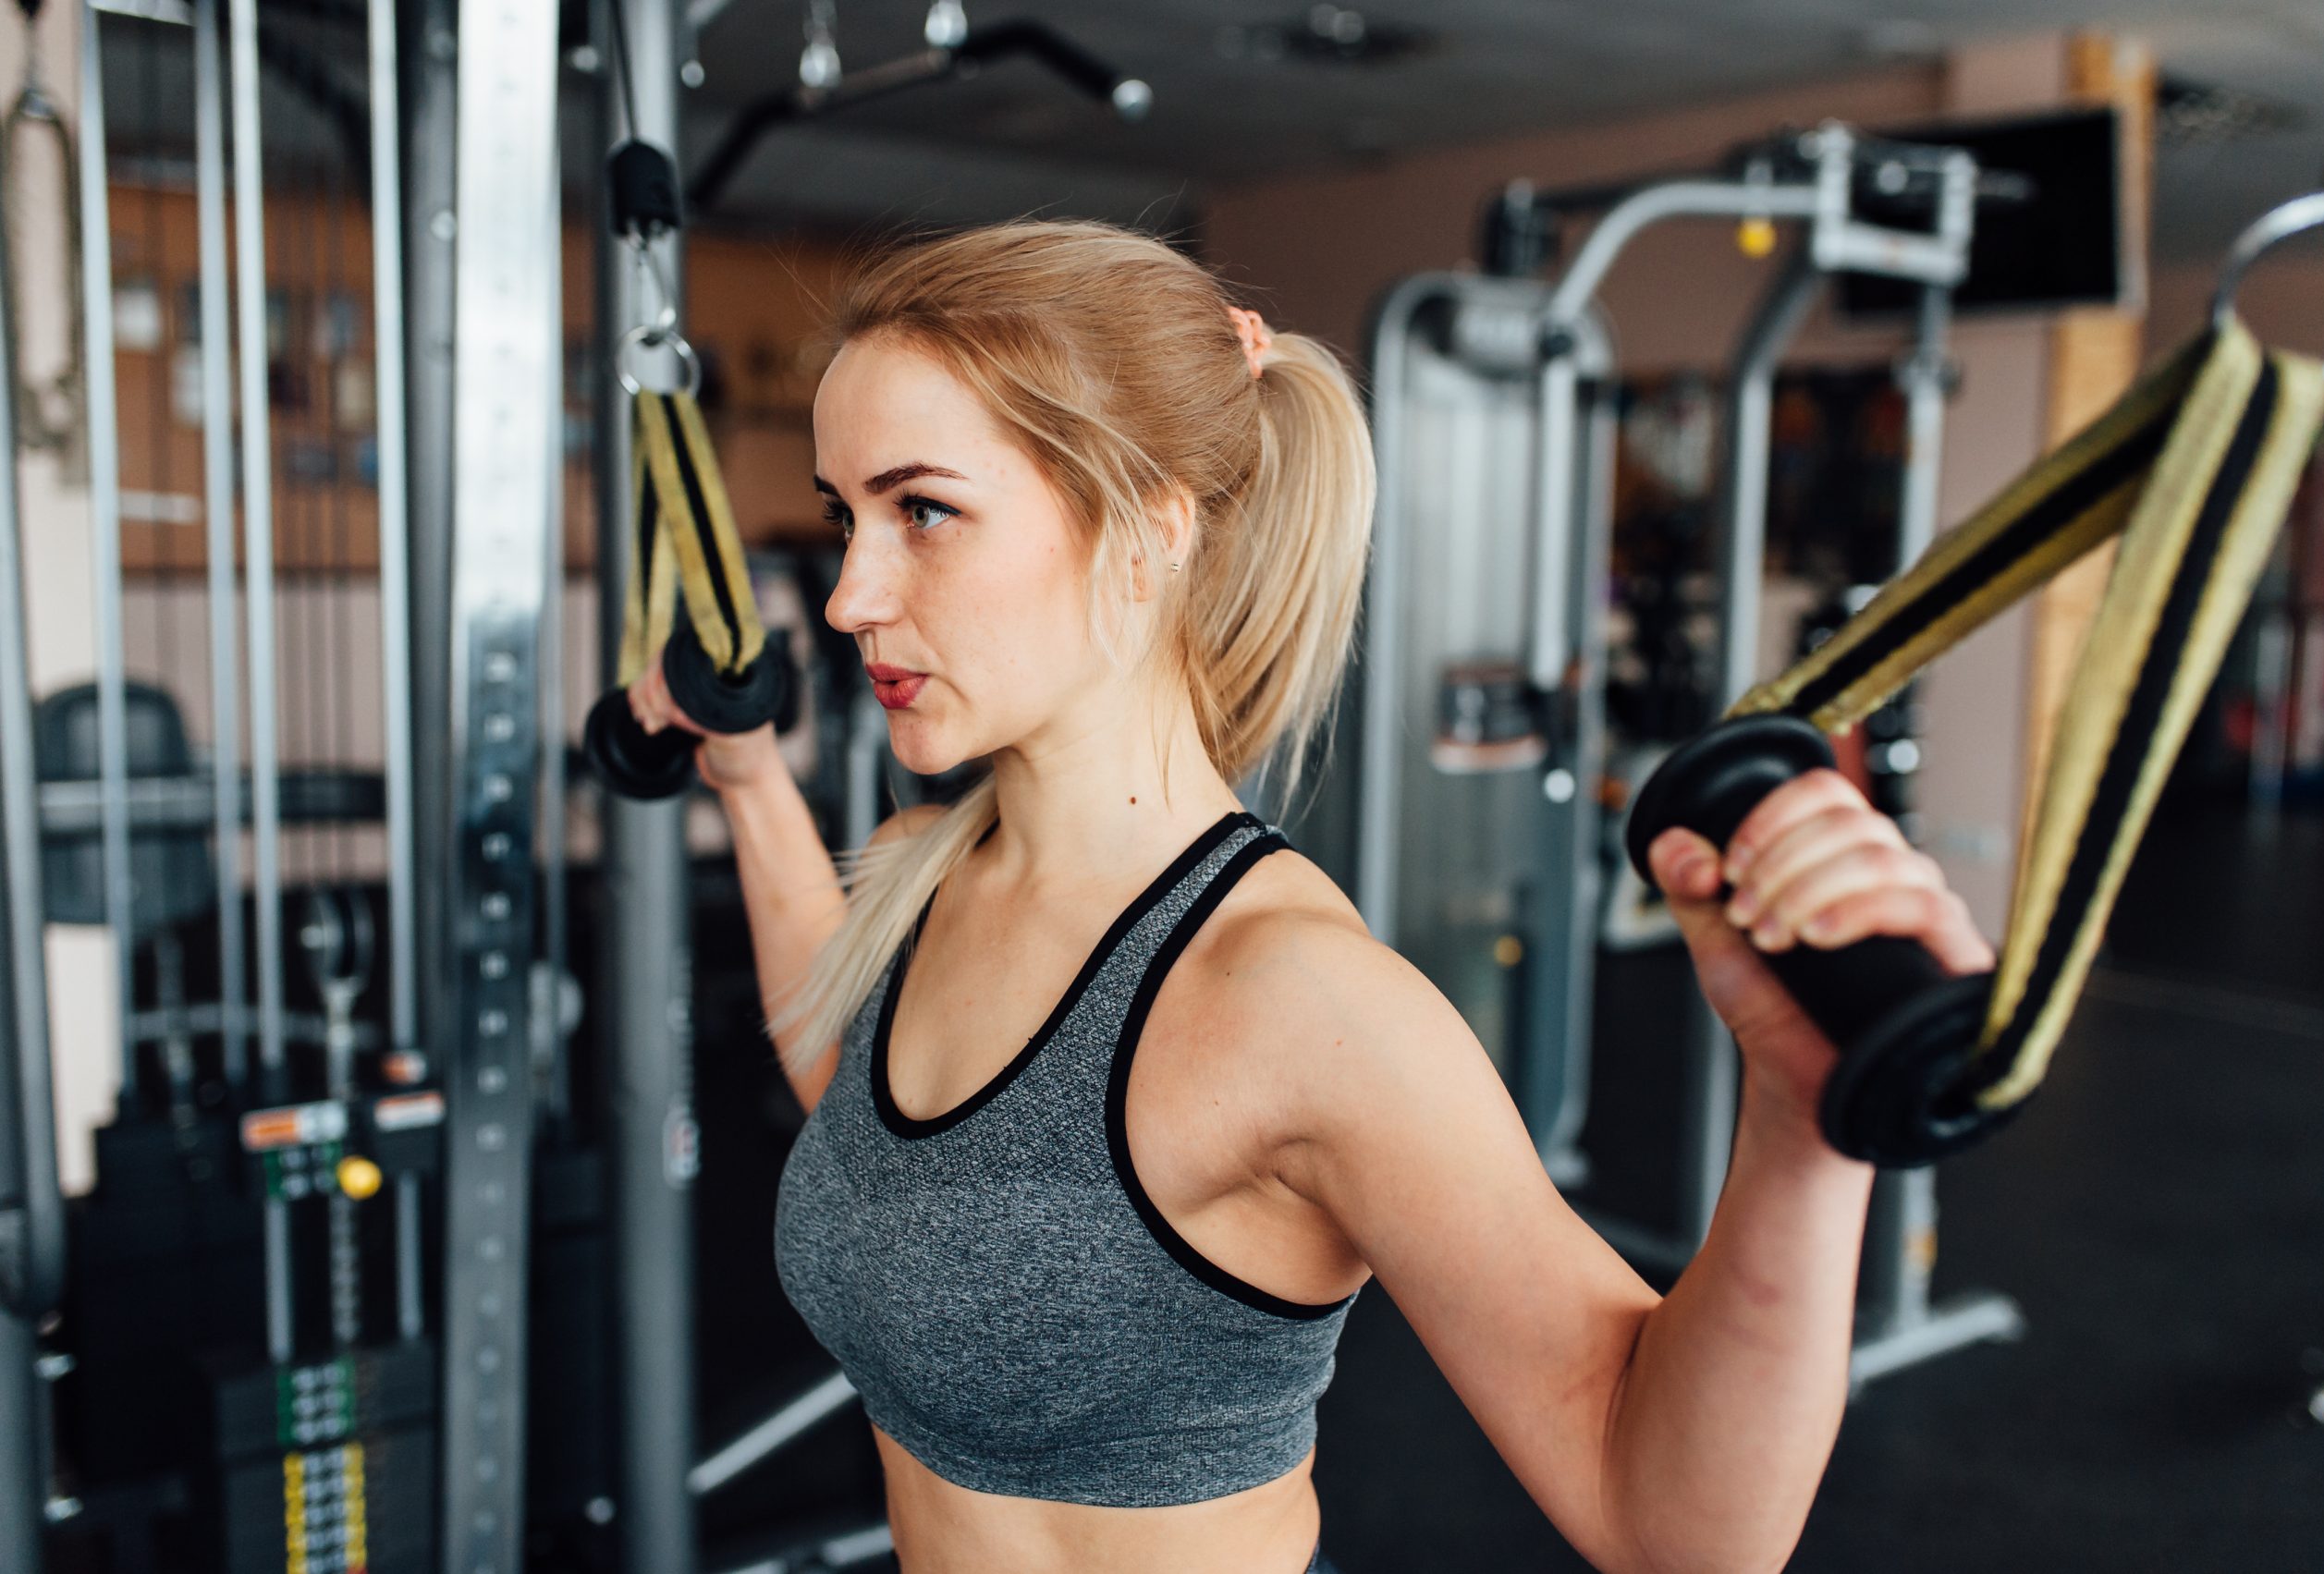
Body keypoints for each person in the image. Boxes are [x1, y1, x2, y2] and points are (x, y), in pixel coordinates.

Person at [626, 220, 1997, 1574]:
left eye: (923, 510)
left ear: (1152, 528)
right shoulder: (937, 868)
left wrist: (1803, 1131)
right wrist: (749, 784)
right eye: (843, 515)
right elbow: (864, 1113)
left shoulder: (1296, 1002)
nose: (853, 593)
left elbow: (1677, 1528)